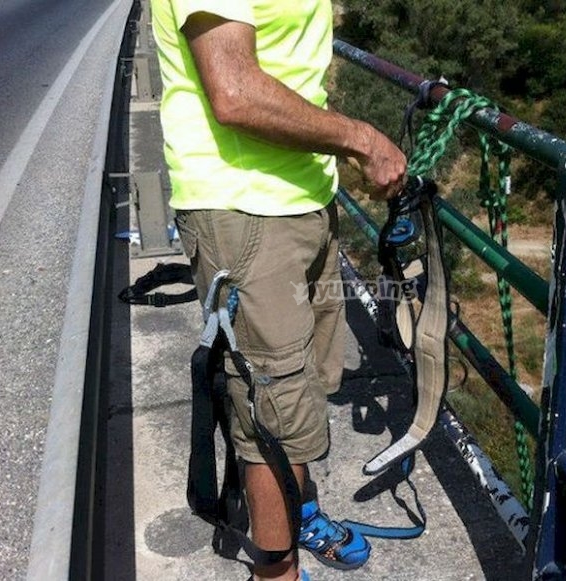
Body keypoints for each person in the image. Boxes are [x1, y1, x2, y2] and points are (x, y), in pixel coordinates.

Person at [150, 1, 407, 580]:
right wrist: (361, 138)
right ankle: (277, 571)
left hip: (301, 196)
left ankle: (301, 511)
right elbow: (235, 91)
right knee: (271, 408)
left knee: (300, 392)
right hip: (243, 207)